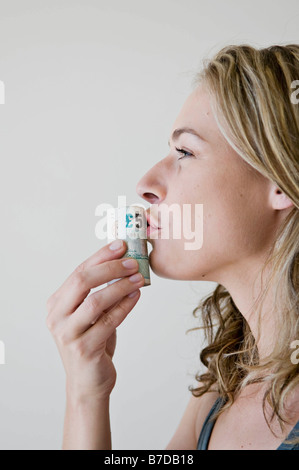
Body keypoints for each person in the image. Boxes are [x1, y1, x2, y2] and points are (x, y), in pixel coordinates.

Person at [46, 44, 299, 450]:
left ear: (282, 182)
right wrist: (85, 392)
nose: (146, 183)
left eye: (185, 151)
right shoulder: (221, 391)